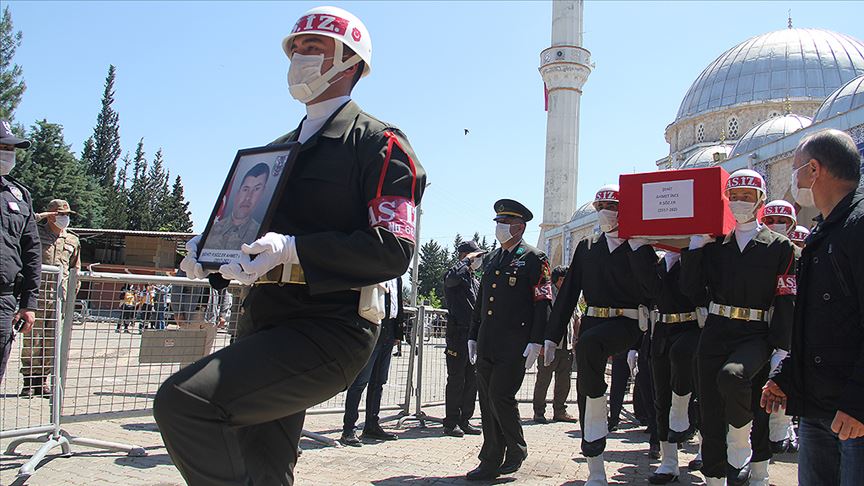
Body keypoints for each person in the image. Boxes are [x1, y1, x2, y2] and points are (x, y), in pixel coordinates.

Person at [153, 6, 425, 485]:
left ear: (351, 61)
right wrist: (210, 255)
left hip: (328, 329)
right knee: (263, 467)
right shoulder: (276, 152)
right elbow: (249, 244)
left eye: (313, 47)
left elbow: (392, 248)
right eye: (295, 48)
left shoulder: (379, 145)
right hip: (263, 322)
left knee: (185, 402)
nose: (299, 56)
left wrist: (297, 249)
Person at [762, 129, 864, 486]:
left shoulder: (858, 226)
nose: (794, 178)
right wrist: (786, 376)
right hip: (819, 410)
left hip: (852, 415)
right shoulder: (824, 233)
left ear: (814, 170)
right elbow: (817, 323)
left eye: (795, 169)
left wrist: (858, 403)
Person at [681, 169, 796, 486]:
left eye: (747, 196)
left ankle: (742, 443)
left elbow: (786, 300)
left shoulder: (780, 247)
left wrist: (782, 349)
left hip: (756, 333)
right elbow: (692, 291)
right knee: (711, 410)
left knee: (733, 377)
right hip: (717, 330)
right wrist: (694, 250)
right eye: (734, 196)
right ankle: (716, 477)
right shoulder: (717, 245)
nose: (739, 202)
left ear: (760, 200)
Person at [544, 184, 657, 485]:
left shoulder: (639, 246)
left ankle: (607, 406)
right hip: (595, 322)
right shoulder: (588, 247)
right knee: (585, 391)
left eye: (613, 206)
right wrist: (550, 337)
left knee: (590, 349)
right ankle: (595, 466)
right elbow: (568, 294)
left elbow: (652, 290)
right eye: (601, 207)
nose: (607, 212)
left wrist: (638, 249)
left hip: (628, 323)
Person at [465, 199, 552, 480]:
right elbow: (481, 301)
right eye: (498, 223)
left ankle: (512, 449)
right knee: (486, 399)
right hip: (488, 340)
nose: (500, 228)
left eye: (505, 223)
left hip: (515, 343)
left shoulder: (534, 258)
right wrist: (472, 336)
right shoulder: (492, 258)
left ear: (520, 226)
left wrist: (536, 341)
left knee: (500, 396)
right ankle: (493, 457)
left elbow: (542, 301)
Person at [631, 248, 701, 484]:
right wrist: (635, 345)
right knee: (661, 400)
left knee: (700, 397)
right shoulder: (658, 263)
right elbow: (646, 296)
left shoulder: (699, 255)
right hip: (661, 333)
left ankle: (704, 448)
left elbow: (696, 289)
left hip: (692, 331)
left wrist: (692, 252)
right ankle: (669, 462)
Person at [19, 199, 80, 398]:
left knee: (51, 342)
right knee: (32, 341)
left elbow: (75, 270)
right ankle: (29, 381)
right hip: (36, 297)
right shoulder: (35, 233)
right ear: (50, 214)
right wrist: (43, 216)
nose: (65, 218)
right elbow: (24, 222)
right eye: (60, 214)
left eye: (67, 215)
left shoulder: (72, 240)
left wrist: (72, 295)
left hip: (58, 298)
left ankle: (42, 382)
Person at [340, 277, 404, 446]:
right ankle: (349, 429)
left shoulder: (397, 277)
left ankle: (371, 424)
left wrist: (398, 333)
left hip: (389, 333)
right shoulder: (377, 271)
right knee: (360, 382)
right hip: (371, 330)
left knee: (379, 382)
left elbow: (398, 304)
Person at [0, 121, 39, 385]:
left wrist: (28, 303)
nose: (7, 154)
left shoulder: (19, 194)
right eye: (2, 147)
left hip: (3, 299)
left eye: (10, 148)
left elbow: (31, 250)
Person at [442, 240, 484, 437]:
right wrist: (466, 261)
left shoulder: (473, 281)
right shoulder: (455, 276)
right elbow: (450, 278)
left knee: (471, 380)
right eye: (476, 256)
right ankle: (451, 422)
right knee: (457, 379)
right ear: (465, 256)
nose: (479, 260)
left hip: (473, 337)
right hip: (457, 335)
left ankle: (465, 420)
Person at [532, 265, 578, 424]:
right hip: (549, 346)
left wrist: (576, 340)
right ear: (559, 279)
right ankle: (539, 412)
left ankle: (560, 411)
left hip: (567, 346)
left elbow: (576, 318)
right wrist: (540, 344)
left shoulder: (571, 295)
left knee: (564, 381)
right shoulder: (546, 295)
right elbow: (539, 320)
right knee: (543, 380)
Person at [207, 162, 270, 249]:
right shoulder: (212, 230)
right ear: (238, 192)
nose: (248, 197)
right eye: (245, 189)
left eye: (256, 189)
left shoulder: (263, 237)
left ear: (262, 193)